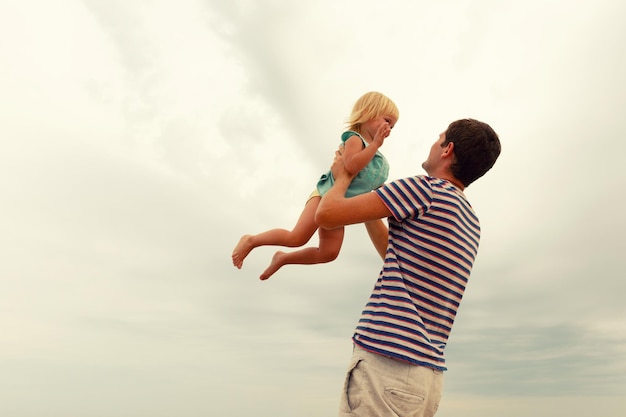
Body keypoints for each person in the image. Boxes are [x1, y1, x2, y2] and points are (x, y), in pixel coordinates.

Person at [315, 118, 501, 417]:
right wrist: (369, 201)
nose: (433, 144)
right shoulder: (469, 219)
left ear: (447, 149)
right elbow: (396, 255)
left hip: (386, 368)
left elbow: (326, 214)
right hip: (424, 379)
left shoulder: (424, 189)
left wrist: (342, 177)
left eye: (438, 139)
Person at [231, 92, 399, 280]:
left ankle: (283, 258)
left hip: (339, 208)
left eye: (392, 126)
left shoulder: (375, 157)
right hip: (324, 196)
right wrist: (375, 144)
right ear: (369, 113)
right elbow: (351, 165)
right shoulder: (355, 139)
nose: (389, 128)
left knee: (329, 253)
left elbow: (374, 183)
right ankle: (252, 240)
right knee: (296, 237)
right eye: (387, 121)